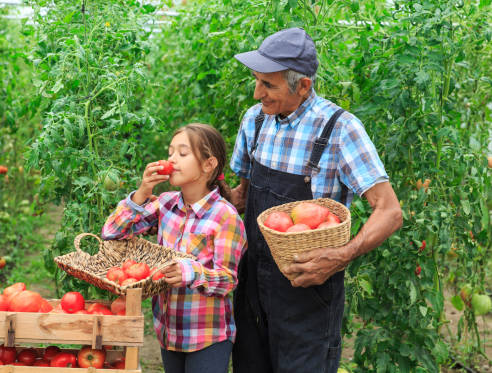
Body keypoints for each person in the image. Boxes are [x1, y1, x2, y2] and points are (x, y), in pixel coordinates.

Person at [229, 28, 403, 372]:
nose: (257, 92)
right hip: (252, 288)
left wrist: (341, 256)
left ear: (303, 85)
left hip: (306, 290)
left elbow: (390, 211)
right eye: (256, 80)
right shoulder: (255, 120)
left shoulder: (340, 130)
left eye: (268, 84)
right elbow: (243, 196)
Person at [102, 123, 247, 373]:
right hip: (169, 331)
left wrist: (190, 273)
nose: (172, 159)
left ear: (208, 164)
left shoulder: (225, 217)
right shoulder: (166, 204)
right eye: (170, 152)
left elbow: (228, 279)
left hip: (207, 336)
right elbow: (112, 233)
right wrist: (142, 193)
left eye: (182, 153)